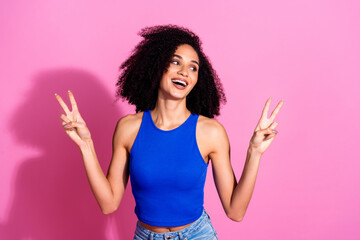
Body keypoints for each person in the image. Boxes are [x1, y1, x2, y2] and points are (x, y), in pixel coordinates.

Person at [55, 25, 284, 240]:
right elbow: (109, 204)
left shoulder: (211, 132)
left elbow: (235, 211)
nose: (185, 72)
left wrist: (255, 151)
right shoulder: (128, 128)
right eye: (176, 63)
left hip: (197, 234)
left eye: (193, 67)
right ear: (156, 66)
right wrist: (86, 145)